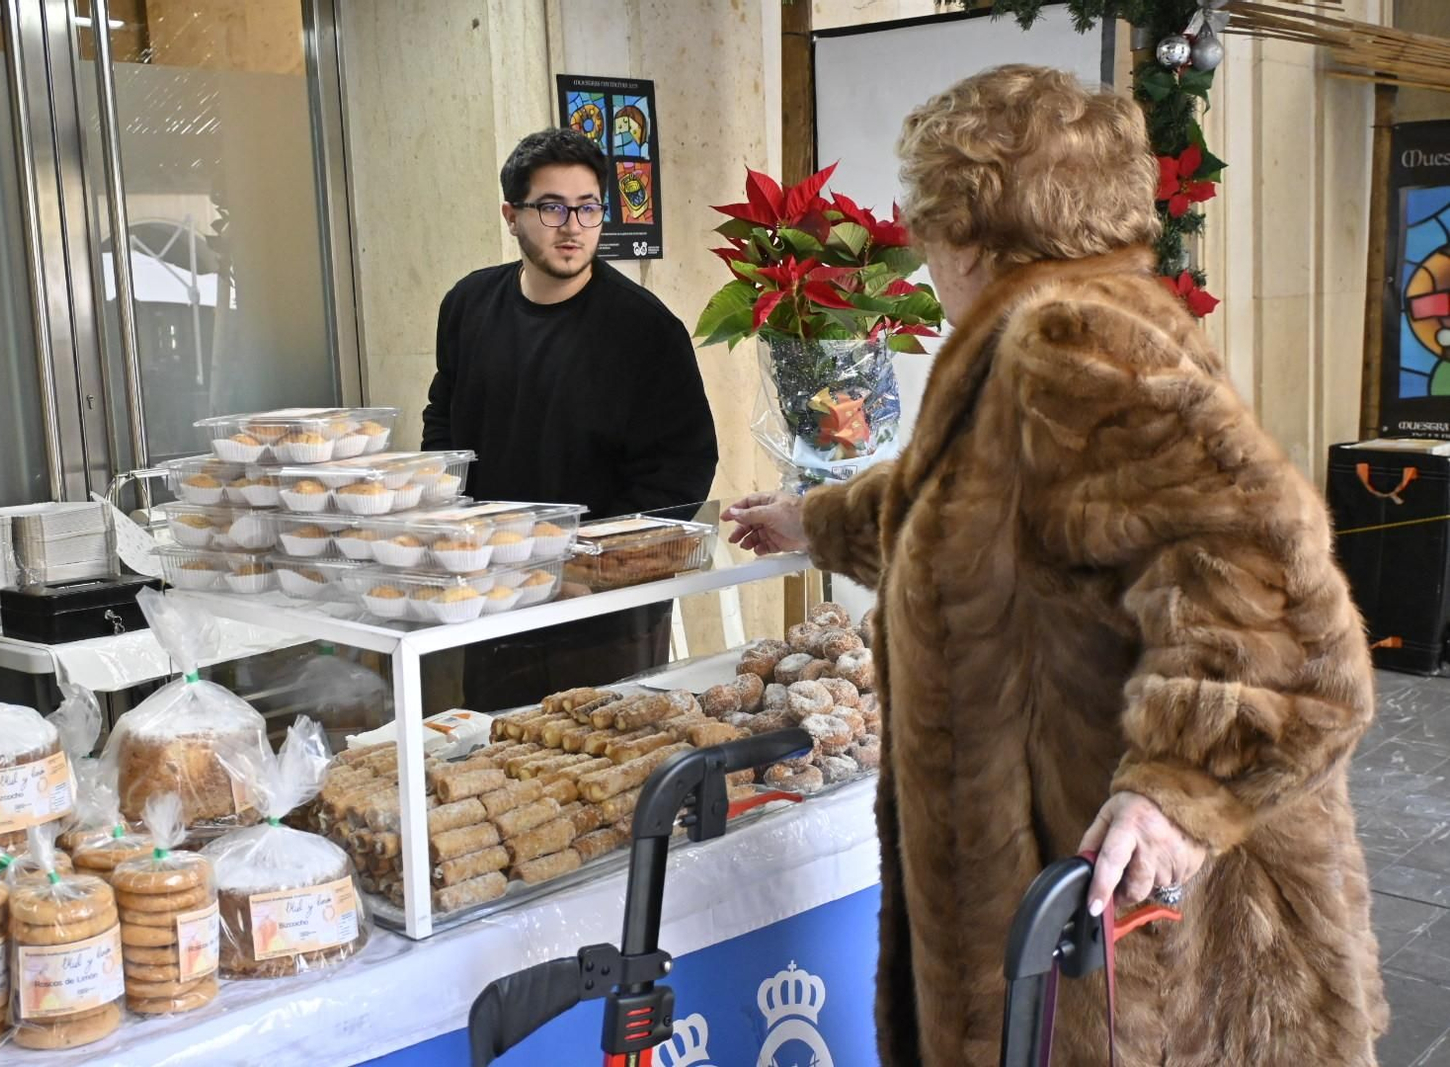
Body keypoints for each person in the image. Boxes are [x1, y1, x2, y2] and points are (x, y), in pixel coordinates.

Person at [724, 65, 1385, 1065]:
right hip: (1089, 914)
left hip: (1136, 952)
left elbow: (1278, 604)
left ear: (966, 225)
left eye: (921, 216)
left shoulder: (1069, 338)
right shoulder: (1056, 327)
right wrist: (811, 520)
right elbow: (983, 519)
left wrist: (1179, 787)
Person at [424, 127, 718, 709]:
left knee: (603, 772)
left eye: (587, 208)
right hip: (495, 594)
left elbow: (683, 470)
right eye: (551, 207)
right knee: (497, 758)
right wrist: (450, 521)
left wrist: (595, 563)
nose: (572, 226)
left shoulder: (644, 329)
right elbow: (443, 420)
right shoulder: (468, 304)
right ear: (512, 215)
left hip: (603, 608)